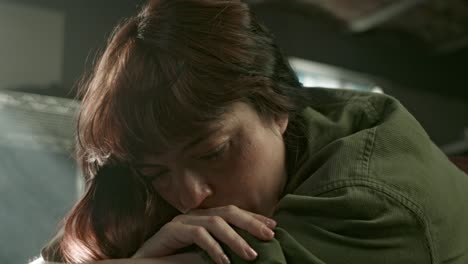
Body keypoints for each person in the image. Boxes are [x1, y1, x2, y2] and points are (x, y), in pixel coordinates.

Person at [34, 0, 468, 263]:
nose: (189, 198)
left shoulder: (377, 197)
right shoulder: (153, 170)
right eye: (155, 172)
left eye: (213, 152)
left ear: (278, 110)